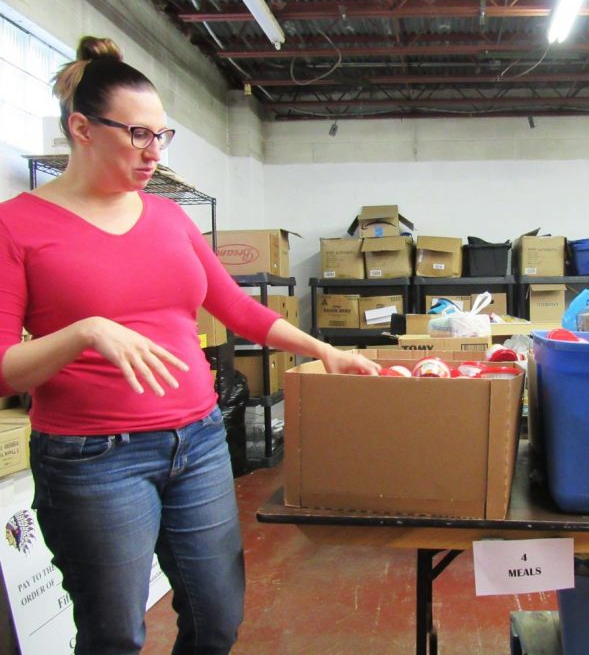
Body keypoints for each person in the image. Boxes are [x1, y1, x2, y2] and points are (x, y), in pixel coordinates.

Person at [0, 35, 380, 655]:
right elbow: (3, 370)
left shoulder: (170, 219)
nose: (154, 152)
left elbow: (235, 308)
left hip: (199, 441)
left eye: (162, 135)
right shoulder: (17, 225)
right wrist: (85, 331)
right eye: (138, 135)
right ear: (81, 128)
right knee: (113, 634)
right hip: (94, 460)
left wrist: (322, 349)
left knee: (218, 620)